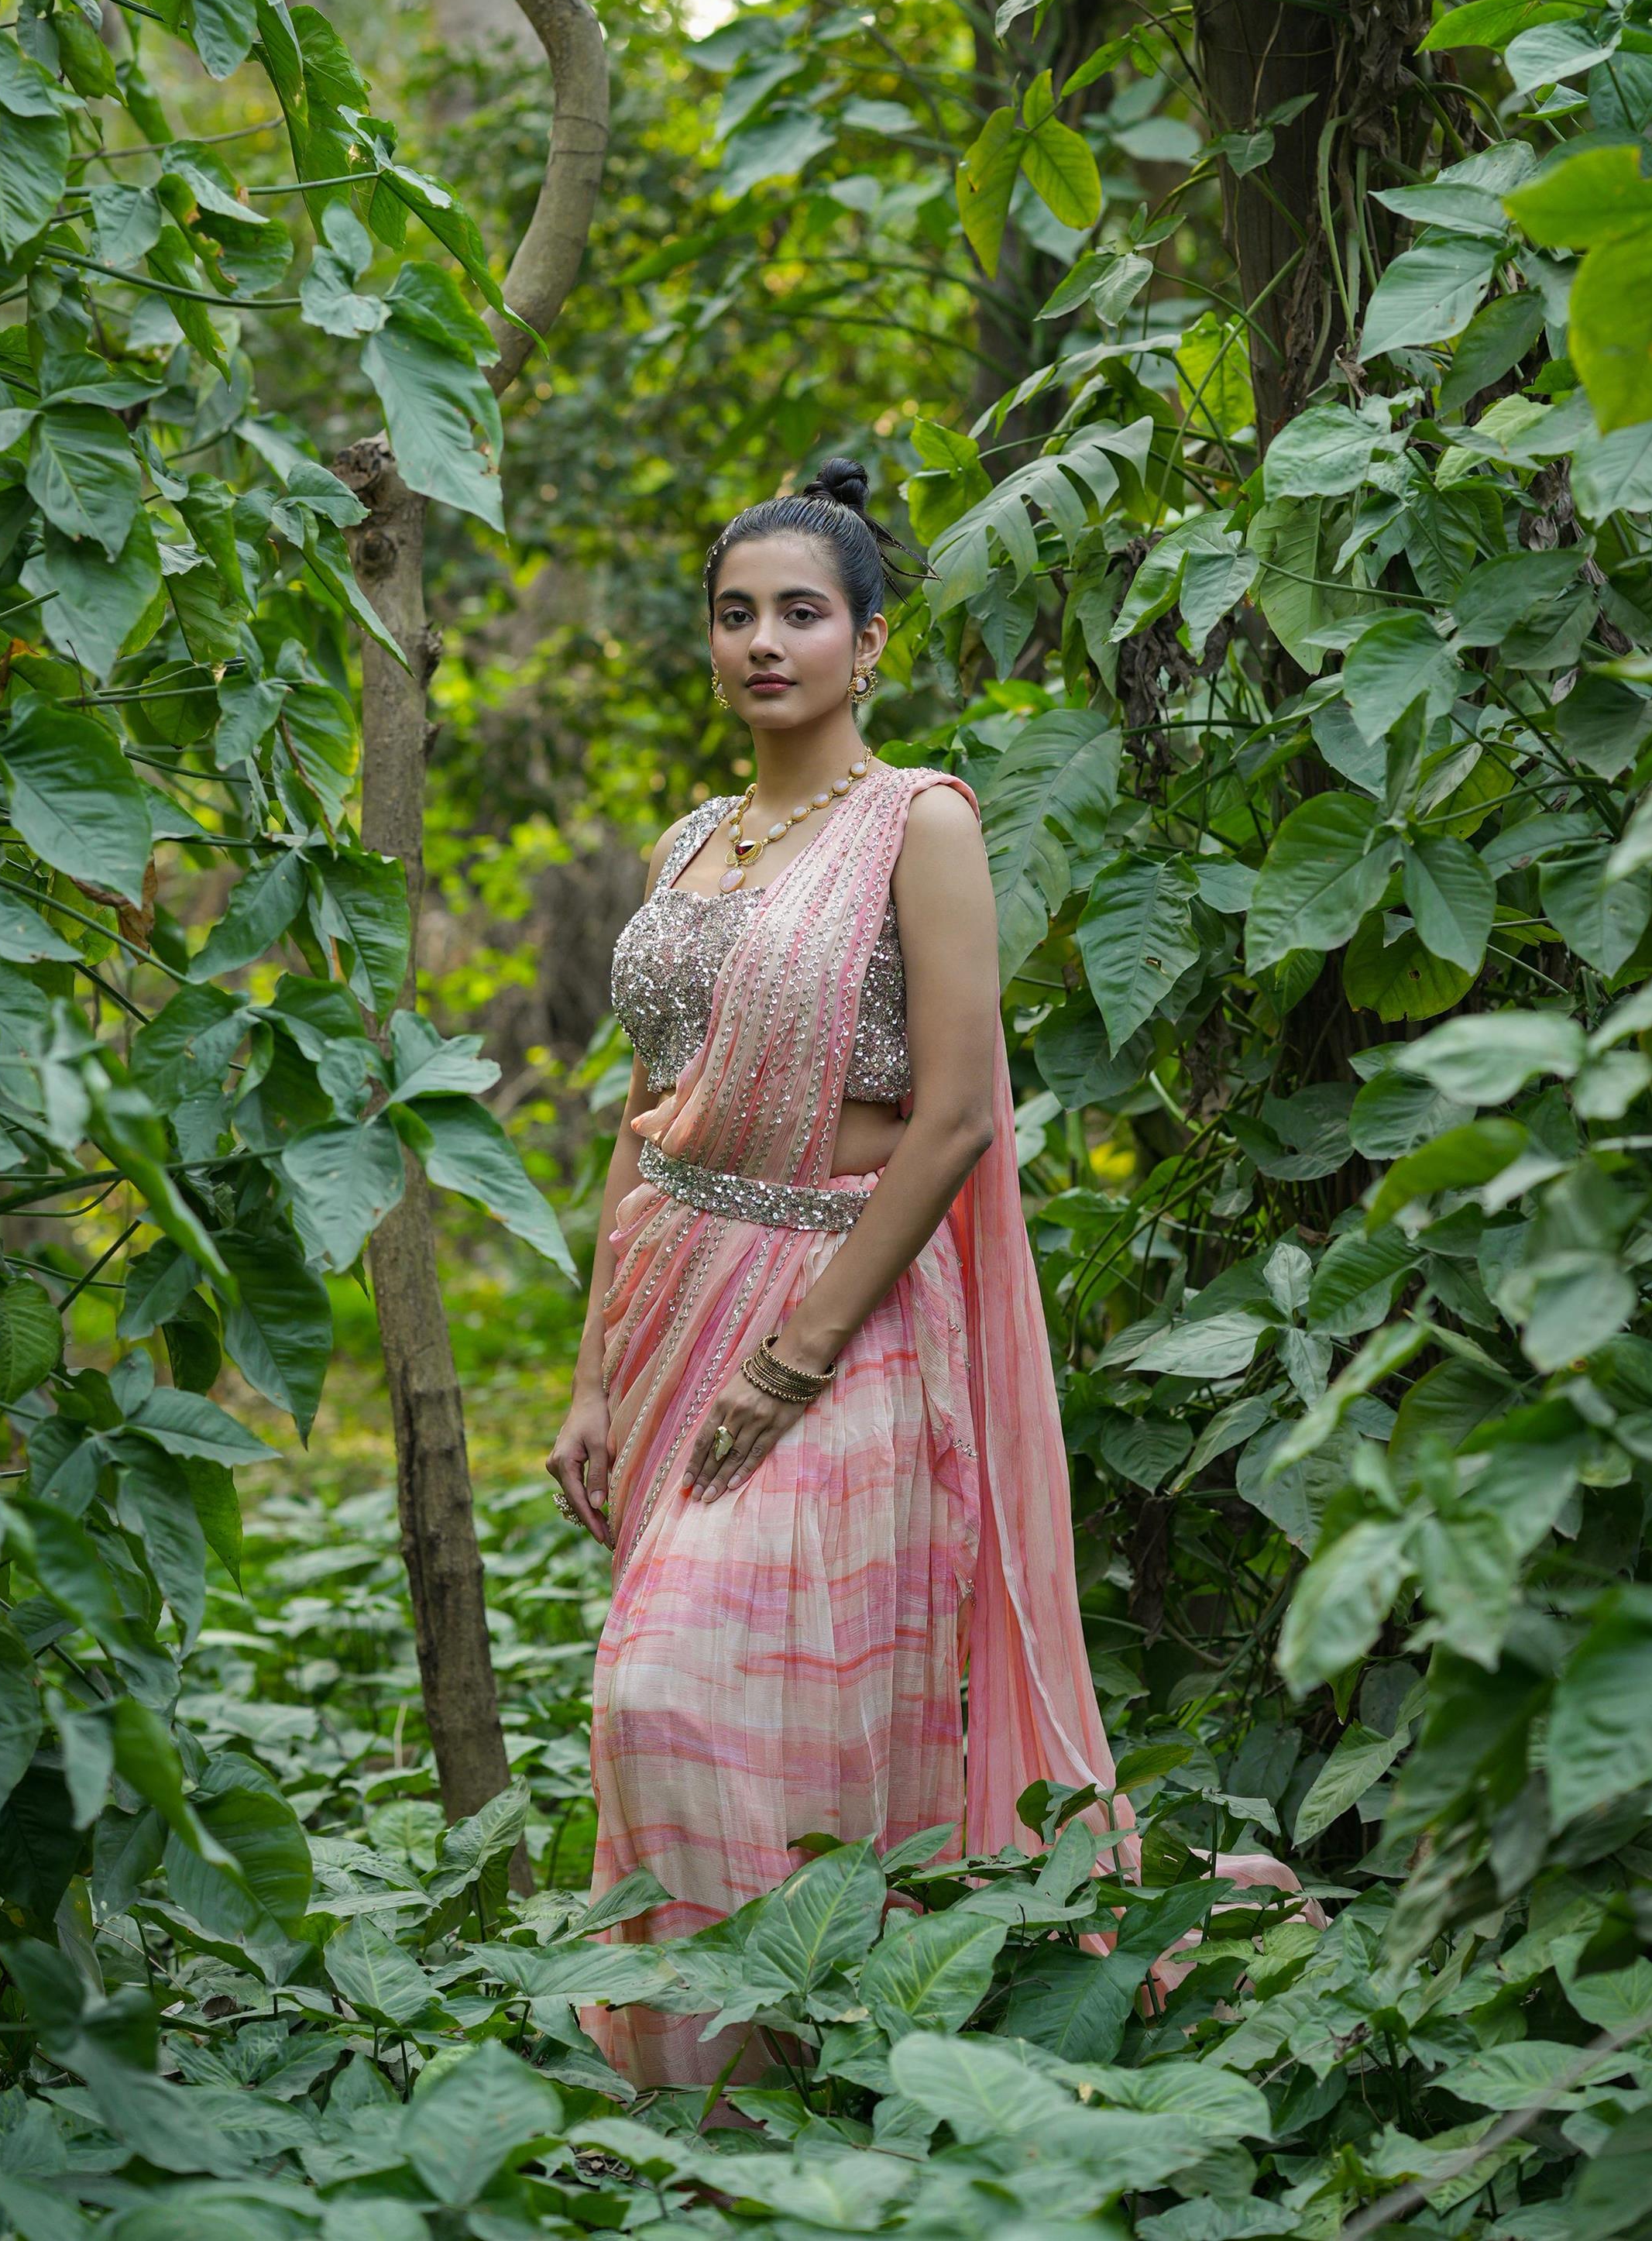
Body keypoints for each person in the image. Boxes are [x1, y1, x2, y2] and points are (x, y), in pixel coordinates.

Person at [546, 457, 1120, 2088]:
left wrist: (795, 1347)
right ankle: (718, 2098)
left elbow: (952, 1117)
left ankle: (793, 2055)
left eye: (801, 611)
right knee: (729, 1687)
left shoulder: (916, 823)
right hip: (671, 1291)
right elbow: (644, 1113)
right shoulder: (690, 841)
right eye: (736, 613)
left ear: (869, 642)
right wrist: (592, 1373)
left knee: (685, 1680)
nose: (762, 641)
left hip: (844, 1309)